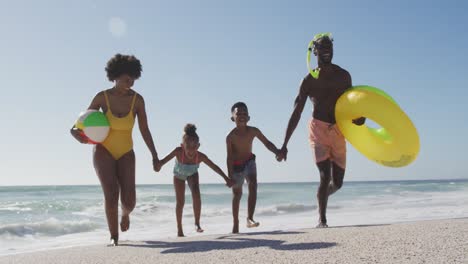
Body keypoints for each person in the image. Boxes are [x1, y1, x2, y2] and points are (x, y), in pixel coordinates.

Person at [70, 54, 159, 245]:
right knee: (111, 194)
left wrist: (154, 155)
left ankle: (125, 215)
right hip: (104, 150)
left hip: (126, 151)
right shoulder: (102, 97)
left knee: (130, 201)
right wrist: (75, 132)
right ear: (116, 75)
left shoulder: (138, 101)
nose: (132, 82)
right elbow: (82, 122)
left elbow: (145, 130)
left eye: (134, 78)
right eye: (128, 78)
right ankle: (114, 236)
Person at [277, 33, 365, 228]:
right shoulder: (309, 80)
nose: (327, 51)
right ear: (314, 51)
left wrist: (358, 118)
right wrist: (284, 145)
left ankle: (321, 195)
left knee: (338, 182)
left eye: (330, 48)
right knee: (324, 176)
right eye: (323, 48)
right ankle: (322, 219)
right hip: (318, 130)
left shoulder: (343, 76)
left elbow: (350, 104)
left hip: (339, 129)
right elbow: (296, 113)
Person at [157, 124, 234, 237]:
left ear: (198, 146)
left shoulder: (200, 156)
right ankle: (179, 229)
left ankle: (197, 223)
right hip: (179, 175)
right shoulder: (178, 152)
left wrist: (226, 178)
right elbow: (162, 161)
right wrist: (158, 165)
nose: (191, 150)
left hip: (192, 174)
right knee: (180, 201)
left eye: (194, 146)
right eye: (188, 146)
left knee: (196, 194)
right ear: (182, 145)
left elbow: (214, 167)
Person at [226, 102, 280, 233]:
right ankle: (235, 224)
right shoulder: (230, 137)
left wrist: (277, 151)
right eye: (239, 114)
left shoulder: (253, 131)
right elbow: (229, 157)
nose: (242, 116)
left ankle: (249, 218)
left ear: (249, 117)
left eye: (245, 113)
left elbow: (267, 143)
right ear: (232, 117)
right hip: (236, 166)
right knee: (237, 194)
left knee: (253, 184)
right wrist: (229, 176)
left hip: (249, 161)